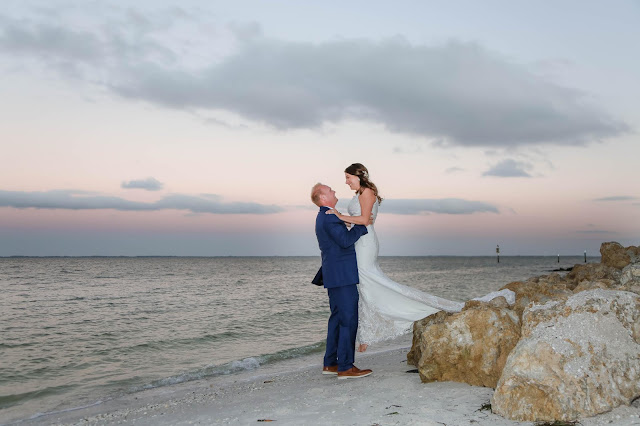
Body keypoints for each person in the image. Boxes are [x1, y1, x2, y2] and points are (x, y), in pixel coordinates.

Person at [326, 163, 515, 352]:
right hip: (358, 241)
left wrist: (339, 215)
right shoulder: (359, 194)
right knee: (367, 284)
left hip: (365, 243)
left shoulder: (367, 192)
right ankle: (366, 335)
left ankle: (400, 318)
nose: (346, 182)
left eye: (348, 177)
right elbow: (360, 219)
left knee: (370, 281)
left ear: (358, 176)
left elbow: (366, 220)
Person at [311, 183, 372, 379]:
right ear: (322, 198)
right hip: (342, 276)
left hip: (335, 275)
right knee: (348, 321)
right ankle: (345, 366)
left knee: (337, 320)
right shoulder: (329, 218)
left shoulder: (326, 216)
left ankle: (330, 363)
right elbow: (345, 241)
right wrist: (361, 226)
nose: (335, 191)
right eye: (330, 190)